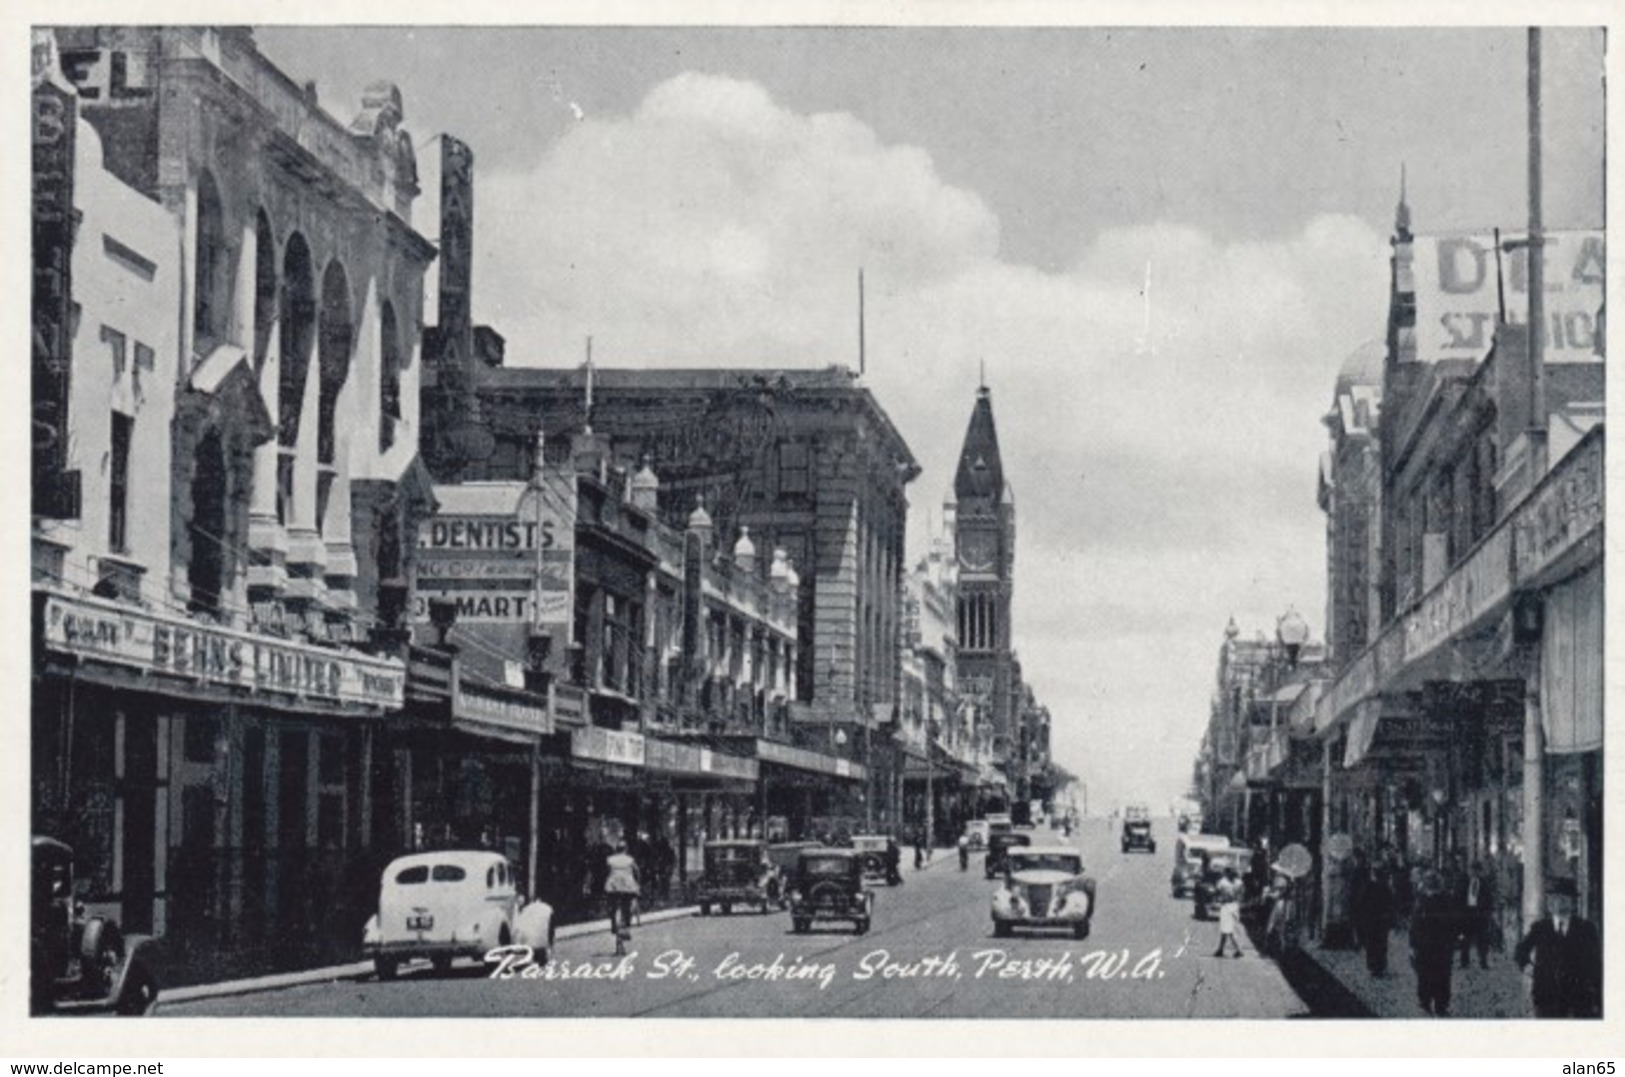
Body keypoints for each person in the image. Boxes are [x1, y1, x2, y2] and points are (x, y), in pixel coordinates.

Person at [1514, 876, 1602, 1018]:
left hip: (1578, 998)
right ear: (1549, 903)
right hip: (1546, 996)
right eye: (1553, 899)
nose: (1558, 903)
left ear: (1573, 904)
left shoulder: (1585, 929)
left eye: (1563, 899)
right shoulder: (1540, 927)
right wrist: (1529, 967)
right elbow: (1520, 951)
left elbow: (1595, 964)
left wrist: (1596, 997)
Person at [1410, 869, 1458, 1016]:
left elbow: (1415, 925)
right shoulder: (1447, 900)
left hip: (1425, 946)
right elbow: (1453, 924)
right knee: (1442, 976)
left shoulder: (1422, 901)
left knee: (1425, 975)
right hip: (1442, 947)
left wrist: (1412, 945)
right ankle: (1440, 1005)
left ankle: (1426, 1002)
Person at [1352, 859, 1395, 976]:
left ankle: (1373, 965)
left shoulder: (1368, 886)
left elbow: (1361, 903)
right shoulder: (1385, 887)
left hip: (1371, 919)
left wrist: (1361, 917)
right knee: (1381, 943)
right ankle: (1380, 965)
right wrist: (1390, 918)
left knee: (1371, 943)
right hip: (1382, 920)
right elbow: (1391, 904)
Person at [1456, 859, 1497, 970]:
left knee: (1482, 939)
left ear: (1479, 872)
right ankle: (1464, 962)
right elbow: (1458, 897)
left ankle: (1483, 961)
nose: (1473, 873)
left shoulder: (1484, 883)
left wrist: (1487, 912)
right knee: (1464, 939)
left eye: (1476, 871)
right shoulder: (1463, 881)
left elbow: (1489, 899)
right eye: (1471, 870)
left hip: (1480, 915)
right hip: (1466, 913)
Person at [603, 840, 641, 957]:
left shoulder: (610, 859)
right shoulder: (630, 860)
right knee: (627, 909)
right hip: (627, 888)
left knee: (612, 909)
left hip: (613, 887)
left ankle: (614, 927)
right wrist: (637, 884)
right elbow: (637, 872)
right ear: (625, 849)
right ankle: (626, 927)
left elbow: (606, 872)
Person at [1213, 867, 1244, 958]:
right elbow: (1241, 894)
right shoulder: (1239, 883)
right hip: (1235, 905)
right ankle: (1220, 949)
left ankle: (1239, 950)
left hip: (1226, 906)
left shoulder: (1222, 882)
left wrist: (1219, 898)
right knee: (1226, 929)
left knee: (1229, 930)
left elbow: (1217, 891)